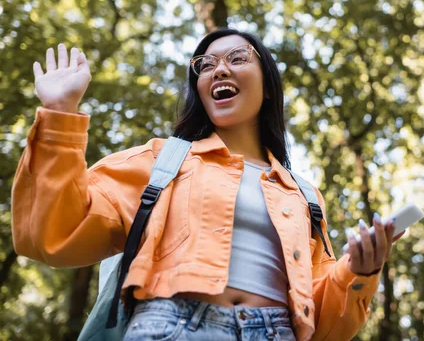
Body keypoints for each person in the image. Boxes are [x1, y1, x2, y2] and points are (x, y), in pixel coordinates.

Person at [11, 28, 403, 340]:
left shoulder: (303, 195)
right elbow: (53, 232)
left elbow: (321, 326)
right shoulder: (161, 161)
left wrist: (358, 272)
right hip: (172, 328)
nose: (219, 69)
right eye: (206, 64)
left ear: (267, 83)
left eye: (237, 58)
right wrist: (60, 113)